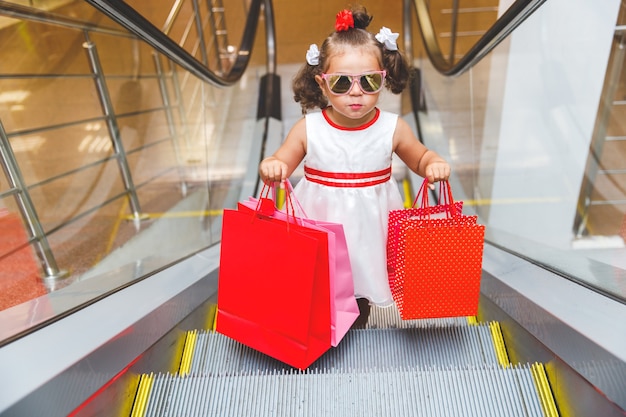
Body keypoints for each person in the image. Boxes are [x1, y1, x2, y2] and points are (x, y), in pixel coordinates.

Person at [258, 5, 451, 327]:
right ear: (322, 84)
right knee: (320, 285)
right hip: (320, 224)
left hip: (370, 229)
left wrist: (435, 163)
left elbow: (420, 157)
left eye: (369, 81)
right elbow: (281, 161)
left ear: (383, 80)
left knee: (360, 285)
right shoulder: (310, 127)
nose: (356, 92)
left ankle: (355, 336)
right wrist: (272, 166)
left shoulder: (393, 127)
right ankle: (319, 333)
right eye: (341, 83)